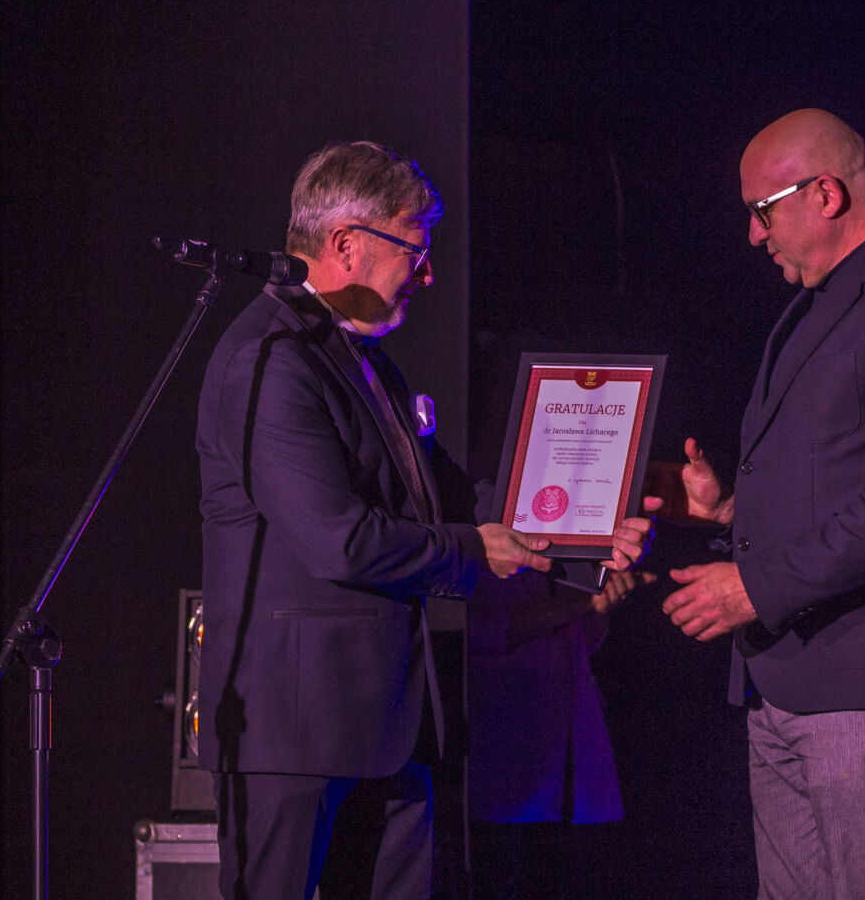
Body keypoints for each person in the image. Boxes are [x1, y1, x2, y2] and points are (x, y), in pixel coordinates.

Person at [195, 140, 650, 900]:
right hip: (294, 732)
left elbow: (447, 496)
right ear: (346, 243)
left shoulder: (361, 357)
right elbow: (339, 540)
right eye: (416, 247)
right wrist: (475, 551)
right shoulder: (270, 359)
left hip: (387, 725)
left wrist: (587, 519)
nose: (429, 272)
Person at [658, 109, 865, 899]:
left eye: (762, 210)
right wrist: (731, 510)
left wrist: (755, 587)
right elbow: (840, 477)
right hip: (790, 673)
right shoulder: (826, 300)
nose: (753, 235)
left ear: (825, 193)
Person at [466, 567, 653, 900]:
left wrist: (600, 604)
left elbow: (585, 642)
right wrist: (583, 602)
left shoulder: (570, 555)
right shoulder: (483, 550)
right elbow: (485, 629)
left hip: (571, 748)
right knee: (502, 874)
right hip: (506, 750)